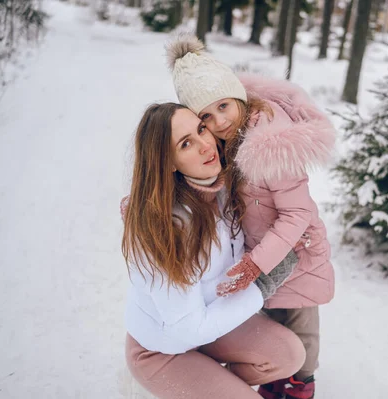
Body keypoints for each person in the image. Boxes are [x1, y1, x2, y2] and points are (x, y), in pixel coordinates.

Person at [166, 35, 336, 399]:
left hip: (297, 253)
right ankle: (278, 376)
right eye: (206, 117)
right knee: (271, 320)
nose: (219, 120)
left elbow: (297, 212)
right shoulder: (227, 141)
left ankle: (301, 383)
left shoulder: (269, 143)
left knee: (301, 322)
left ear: (238, 96)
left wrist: (257, 262)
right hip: (264, 251)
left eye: (224, 106)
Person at [121, 102, 305, 399]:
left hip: (211, 325)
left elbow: (238, 103)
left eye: (201, 129)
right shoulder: (164, 228)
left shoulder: (221, 187)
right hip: (162, 348)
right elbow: (189, 329)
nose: (206, 145)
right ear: (167, 162)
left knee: (289, 354)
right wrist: (264, 283)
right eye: (186, 143)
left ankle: (210, 381)